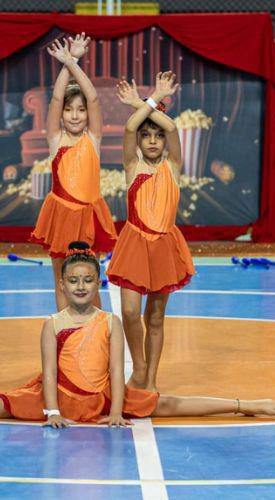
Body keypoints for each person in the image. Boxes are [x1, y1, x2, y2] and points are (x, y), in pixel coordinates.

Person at [0, 242, 275, 426]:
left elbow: (114, 372)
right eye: (74, 281)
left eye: (89, 280)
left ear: (98, 283)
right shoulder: (52, 324)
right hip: (59, 399)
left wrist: (118, 410)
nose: (82, 286)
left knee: (167, 402)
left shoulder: (110, 322)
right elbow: (48, 374)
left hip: (101, 398)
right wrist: (51, 410)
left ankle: (246, 403)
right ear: (63, 285)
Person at [107, 73, 195, 391]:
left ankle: (151, 380)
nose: (154, 141)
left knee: (155, 317)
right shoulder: (133, 166)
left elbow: (171, 127)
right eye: (148, 137)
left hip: (164, 246)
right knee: (131, 312)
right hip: (134, 243)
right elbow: (131, 127)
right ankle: (139, 368)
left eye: (157, 137)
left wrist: (147, 101)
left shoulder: (173, 166)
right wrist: (141, 104)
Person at [30, 33, 117, 311]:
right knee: (62, 278)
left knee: (90, 276)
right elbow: (56, 98)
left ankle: (98, 328)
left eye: (80, 110)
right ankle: (65, 328)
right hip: (61, 215)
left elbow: (92, 97)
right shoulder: (56, 140)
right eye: (69, 110)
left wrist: (74, 62)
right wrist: (67, 64)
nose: (76, 115)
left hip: (88, 216)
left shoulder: (93, 139)